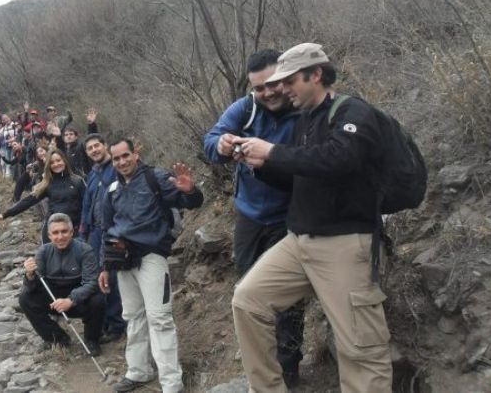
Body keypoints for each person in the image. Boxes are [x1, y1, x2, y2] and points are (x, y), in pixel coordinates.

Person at [230, 43, 392, 392]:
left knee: (361, 349)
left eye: (290, 81)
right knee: (247, 301)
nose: (283, 89)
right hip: (299, 242)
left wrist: (273, 151)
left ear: (316, 75)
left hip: (345, 243)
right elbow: (301, 177)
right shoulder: (305, 120)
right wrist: (261, 166)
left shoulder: (353, 113)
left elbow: (339, 159)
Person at [203, 49, 304, 386]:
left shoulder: (303, 111)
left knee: (287, 299)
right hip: (249, 215)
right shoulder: (245, 109)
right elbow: (211, 140)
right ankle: (260, 365)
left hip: (289, 215)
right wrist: (221, 146)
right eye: (259, 88)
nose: (267, 93)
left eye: (272, 84)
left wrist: (270, 157)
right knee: (248, 291)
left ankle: (288, 368)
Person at [99, 138, 204, 393]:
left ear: (135, 154)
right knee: (133, 317)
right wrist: (105, 266)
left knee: (160, 319)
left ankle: (171, 384)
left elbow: (191, 201)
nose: (122, 162)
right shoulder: (112, 189)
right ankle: (139, 371)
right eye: (116, 158)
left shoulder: (155, 178)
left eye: (126, 155)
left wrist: (191, 190)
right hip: (123, 262)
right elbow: (106, 229)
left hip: (151, 257)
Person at [19, 213, 104, 355]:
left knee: (98, 299)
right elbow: (33, 286)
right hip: (54, 301)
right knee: (25, 298)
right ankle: (57, 338)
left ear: (72, 232)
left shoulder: (85, 250)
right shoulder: (43, 252)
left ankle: (92, 339)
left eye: (64, 231)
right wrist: (30, 274)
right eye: (55, 233)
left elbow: (92, 282)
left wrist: (71, 300)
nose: (60, 236)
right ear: (49, 235)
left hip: (78, 300)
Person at [79, 132, 126, 343]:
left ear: (105, 145)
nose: (94, 150)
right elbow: (87, 204)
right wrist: (83, 231)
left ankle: (117, 325)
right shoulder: (92, 174)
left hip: (115, 229)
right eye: (90, 148)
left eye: (96, 146)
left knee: (112, 277)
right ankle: (105, 321)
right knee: (99, 277)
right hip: (95, 232)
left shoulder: (116, 169)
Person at [0, 149, 86, 243]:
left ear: (64, 161)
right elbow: (28, 201)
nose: (56, 164)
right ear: (49, 166)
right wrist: (4, 215)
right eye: (52, 162)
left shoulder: (77, 181)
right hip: (53, 232)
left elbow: (87, 206)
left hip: (75, 231)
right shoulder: (47, 184)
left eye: (58, 160)